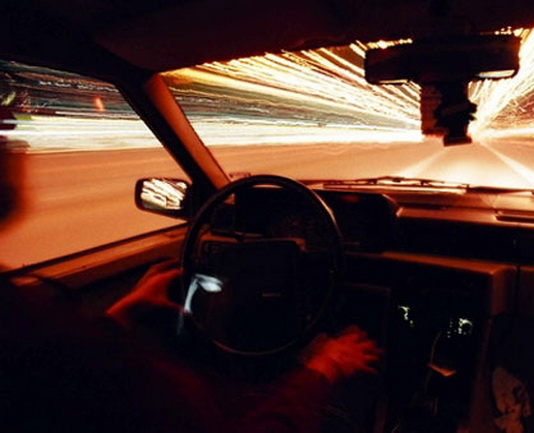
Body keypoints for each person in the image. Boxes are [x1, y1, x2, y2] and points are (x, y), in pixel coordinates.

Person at [0, 131, 381, 432]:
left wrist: (120, 315)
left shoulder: (27, 321)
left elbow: (71, 372)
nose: (11, 123)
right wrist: (325, 366)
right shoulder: (26, 326)